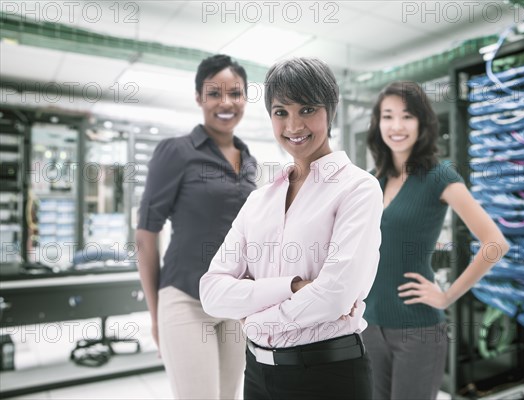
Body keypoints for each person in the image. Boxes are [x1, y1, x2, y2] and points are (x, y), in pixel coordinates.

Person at [199, 57, 383, 400]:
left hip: (328, 374)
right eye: (281, 112)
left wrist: (253, 320)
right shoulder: (259, 200)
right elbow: (211, 291)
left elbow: (333, 297)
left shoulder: (358, 188)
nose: (294, 125)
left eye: (308, 109)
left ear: (330, 112)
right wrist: (294, 286)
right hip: (256, 374)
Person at [363, 81, 510, 400]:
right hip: (368, 327)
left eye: (407, 116)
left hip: (417, 330)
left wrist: (447, 296)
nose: (397, 126)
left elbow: (495, 243)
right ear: (378, 124)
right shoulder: (373, 180)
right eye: (388, 116)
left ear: (422, 123)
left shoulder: (439, 176)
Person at [135, 54, 256, 399]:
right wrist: (156, 313)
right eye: (214, 93)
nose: (226, 103)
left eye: (235, 93)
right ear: (199, 98)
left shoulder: (249, 162)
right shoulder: (176, 152)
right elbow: (146, 234)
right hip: (186, 298)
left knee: (230, 395)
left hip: (234, 301)